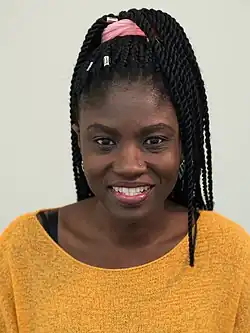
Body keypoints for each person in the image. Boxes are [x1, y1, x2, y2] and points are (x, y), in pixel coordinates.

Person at [0, 7, 249, 332]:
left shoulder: (230, 253)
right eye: (104, 141)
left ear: (183, 141)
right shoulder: (22, 250)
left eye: (155, 140)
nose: (130, 165)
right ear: (79, 140)